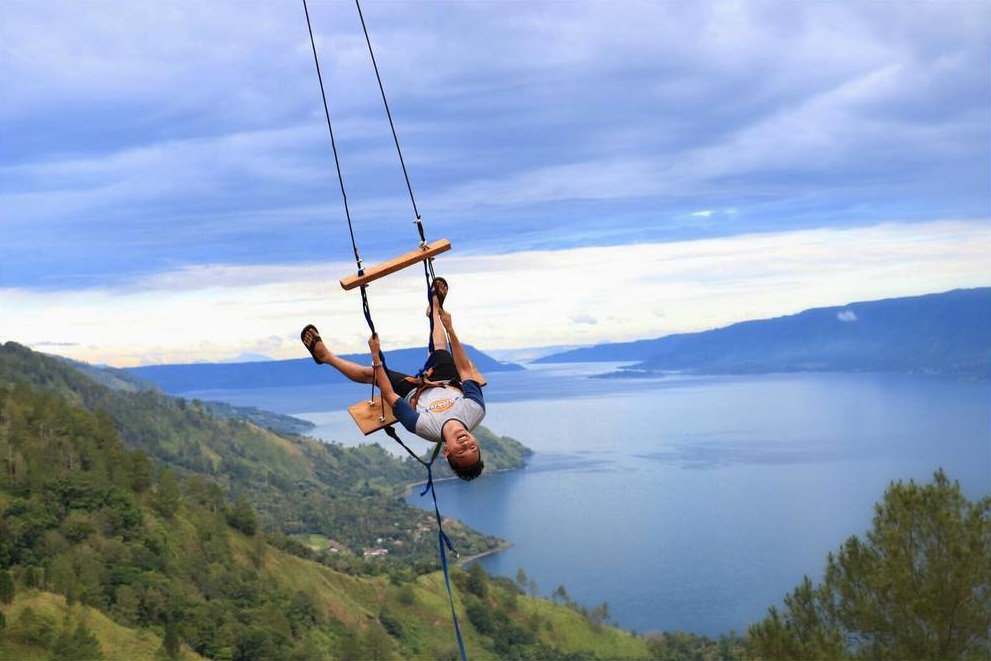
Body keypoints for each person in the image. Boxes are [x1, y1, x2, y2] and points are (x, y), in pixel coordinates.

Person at [300, 278, 485, 480]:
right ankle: (434, 309)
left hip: (414, 391)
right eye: (472, 447)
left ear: (447, 452)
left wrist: (376, 357)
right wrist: (450, 328)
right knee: (441, 348)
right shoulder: (475, 411)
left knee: (371, 376)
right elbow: (465, 371)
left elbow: (389, 395)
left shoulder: (424, 427)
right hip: (446, 382)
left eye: (461, 451)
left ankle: (325, 356)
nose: (466, 444)